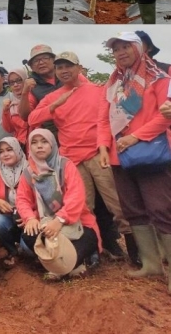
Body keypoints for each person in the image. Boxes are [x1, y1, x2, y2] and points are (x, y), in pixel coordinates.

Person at [29, 51, 133, 261]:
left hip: (97, 154)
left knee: (116, 204)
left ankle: (137, 251)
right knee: (83, 208)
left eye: (68, 66)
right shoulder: (52, 97)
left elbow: (112, 118)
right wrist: (56, 104)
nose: (64, 71)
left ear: (79, 67)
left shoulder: (97, 90)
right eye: (60, 67)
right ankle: (93, 251)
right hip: (72, 161)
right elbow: (32, 118)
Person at [97, 32, 171, 292]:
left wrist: (135, 137)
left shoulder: (160, 78)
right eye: (116, 48)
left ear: (140, 48)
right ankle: (151, 264)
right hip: (119, 156)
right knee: (133, 210)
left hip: (151, 153)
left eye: (126, 46)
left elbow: (166, 116)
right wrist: (103, 146)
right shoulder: (113, 82)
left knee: (161, 209)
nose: (120, 52)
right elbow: (103, 118)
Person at [17, 129, 100, 280]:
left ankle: (57, 268)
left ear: (53, 145)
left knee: (90, 237)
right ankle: (71, 266)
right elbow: (22, 199)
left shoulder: (65, 165)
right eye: (34, 143)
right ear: (29, 147)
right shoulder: (28, 173)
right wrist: (30, 218)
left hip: (74, 221)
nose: (39, 146)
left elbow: (76, 195)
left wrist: (59, 220)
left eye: (44, 142)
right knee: (28, 236)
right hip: (44, 223)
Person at [0, 138, 27, 267]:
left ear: (18, 150)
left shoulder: (30, 170)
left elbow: (40, 198)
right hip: (9, 216)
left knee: (27, 249)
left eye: (9, 150)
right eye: (1, 151)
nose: (5, 154)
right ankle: (12, 251)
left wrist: (30, 215)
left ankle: (27, 251)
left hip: (29, 217)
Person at [2, 68, 29, 147]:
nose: (15, 85)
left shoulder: (33, 98)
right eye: (12, 82)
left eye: (19, 80)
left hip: (35, 142)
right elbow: (9, 129)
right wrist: (5, 111)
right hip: (21, 145)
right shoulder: (10, 104)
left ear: (25, 81)